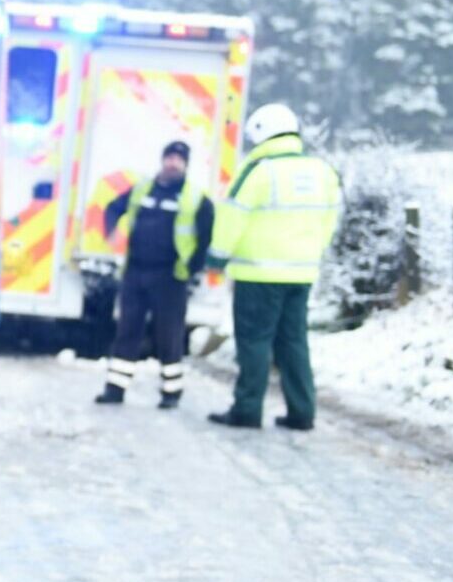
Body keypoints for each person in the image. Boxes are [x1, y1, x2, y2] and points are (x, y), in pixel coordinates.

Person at [206, 102, 344, 431]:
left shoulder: (258, 171)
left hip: (257, 275)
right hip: (301, 274)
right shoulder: (323, 171)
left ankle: (247, 410)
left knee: (254, 342)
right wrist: (311, 253)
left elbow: (232, 218)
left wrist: (216, 259)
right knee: (293, 342)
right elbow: (331, 220)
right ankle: (302, 411)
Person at [93, 139, 215, 408]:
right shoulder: (142, 189)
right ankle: (115, 389)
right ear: (162, 160)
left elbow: (206, 237)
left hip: (170, 277)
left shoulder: (195, 198)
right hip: (136, 271)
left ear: (185, 165)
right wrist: (111, 230)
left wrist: (191, 270)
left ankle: (171, 393)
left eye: (179, 160)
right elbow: (114, 207)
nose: (173, 163)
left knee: (168, 335)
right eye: (169, 158)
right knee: (127, 332)